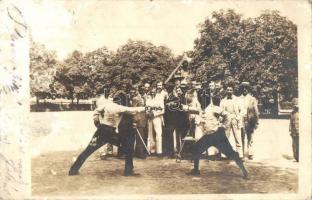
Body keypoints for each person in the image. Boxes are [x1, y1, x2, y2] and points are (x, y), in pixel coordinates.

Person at [68, 97, 147, 176]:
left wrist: (96, 120)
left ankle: (73, 170)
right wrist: (145, 108)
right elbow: (133, 110)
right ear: (120, 101)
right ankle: (128, 171)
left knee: (88, 150)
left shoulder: (106, 105)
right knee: (128, 145)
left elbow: (96, 111)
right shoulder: (119, 107)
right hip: (110, 133)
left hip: (101, 131)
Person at [186, 95, 249, 179]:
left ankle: (244, 171)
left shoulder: (215, 108)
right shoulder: (202, 110)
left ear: (209, 101)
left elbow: (227, 115)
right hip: (208, 136)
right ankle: (196, 170)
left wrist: (223, 126)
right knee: (196, 149)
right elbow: (191, 110)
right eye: (201, 101)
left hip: (218, 135)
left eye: (205, 100)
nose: (203, 102)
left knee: (231, 154)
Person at [220, 84, 243, 158]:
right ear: (226, 91)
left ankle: (239, 154)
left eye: (231, 90)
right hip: (226, 120)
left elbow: (242, 110)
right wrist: (226, 114)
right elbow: (221, 111)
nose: (229, 91)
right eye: (228, 90)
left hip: (235, 120)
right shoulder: (223, 100)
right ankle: (224, 154)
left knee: (238, 137)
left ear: (233, 91)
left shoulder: (237, 100)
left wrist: (238, 117)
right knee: (225, 137)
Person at [239, 82, 259, 160]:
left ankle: (250, 153)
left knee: (250, 137)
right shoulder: (238, 99)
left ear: (248, 89)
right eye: (243, 88)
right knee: (242, 137)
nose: (244, 89)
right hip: (241, 120)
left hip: (250, 120)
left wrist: (257, 122)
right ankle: (242, 154)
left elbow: (256, 111)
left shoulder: (252, 99)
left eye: (246, 88)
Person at [129, 87, 148, 159]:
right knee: (140, 137)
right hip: (139, 119)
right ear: (139, 91)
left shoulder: (146, 97)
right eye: (141, 90)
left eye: (144, 90)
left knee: (143, 136)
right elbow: (133, 110)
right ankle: (140, 153)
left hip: (145, 119)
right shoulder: (135, 98)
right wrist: (135, 120)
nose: (143, 92)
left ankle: (140, 151)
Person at [145, 87, 165, 156]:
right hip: (150, 117)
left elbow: (163, 110)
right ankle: (151, 150)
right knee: (150, 134)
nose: (152, 93)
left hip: (157, 117)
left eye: (154, 91)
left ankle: (159, 151)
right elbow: (147, 107)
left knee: (158, 133)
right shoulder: (148, 97)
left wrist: (154, 113)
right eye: (151, 92)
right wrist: (148, 113)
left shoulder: (160, 98)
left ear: (156, 91)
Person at [289, 97, 299, 162]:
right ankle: (296, 157)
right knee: (294, 144)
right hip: (293, 132)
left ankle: (298, 157)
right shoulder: (292, 113)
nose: (295, 107)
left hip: (299, 131)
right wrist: (290, 129)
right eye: (294, 106)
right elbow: (290, 122)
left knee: (298, 144)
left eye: (296, 106)